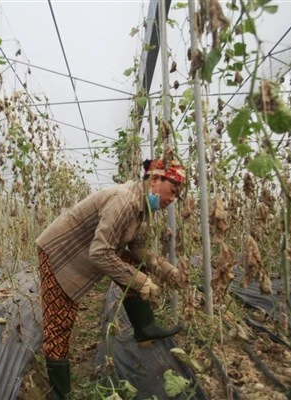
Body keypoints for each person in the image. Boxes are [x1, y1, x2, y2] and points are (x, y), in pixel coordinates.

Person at [36, 158, 186, 399]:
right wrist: (140, 282)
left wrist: (167, 271)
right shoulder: (125, 201)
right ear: (155, 180)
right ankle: (59, 394)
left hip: (87, 250)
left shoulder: (142, 208)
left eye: (177, 195)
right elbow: (99, 253)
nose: (173, 199)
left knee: (133, 268)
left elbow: (138, 249)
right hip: (58, 251)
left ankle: (145, 329)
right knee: (59, 324)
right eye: (173, 191)